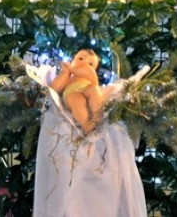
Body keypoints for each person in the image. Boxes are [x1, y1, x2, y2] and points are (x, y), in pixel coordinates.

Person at [33, 48, 146, 217]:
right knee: (77, 102)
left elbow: (99, 91)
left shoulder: (92, 82)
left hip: (90, 92)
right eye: (80, 58)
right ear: (72, 59)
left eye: (91, 63)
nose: (85, 63)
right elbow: (55, 88)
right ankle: (87, 124)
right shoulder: (68, 78)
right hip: (72, 95)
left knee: (95, 97)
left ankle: (96, 119)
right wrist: (66, 72)